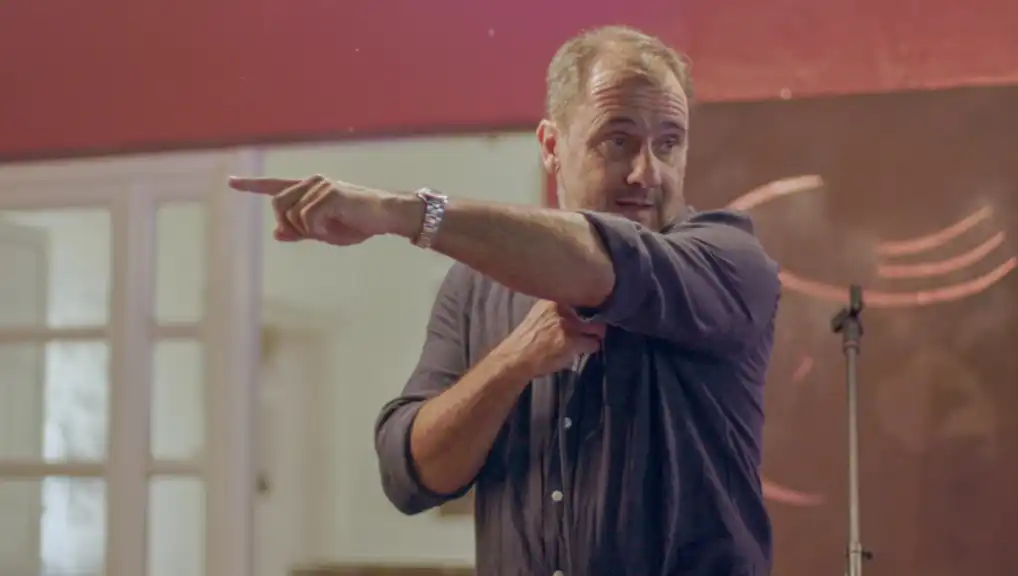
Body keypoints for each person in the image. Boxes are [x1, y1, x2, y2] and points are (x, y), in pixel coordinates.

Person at [230, 25, 780, 576]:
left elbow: (608, 261)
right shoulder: (475, 287)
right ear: (551, 146)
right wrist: (513, 363)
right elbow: (411, 474)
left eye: (668, 143)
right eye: (618, 141)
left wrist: (403, 213)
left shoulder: (728, 261)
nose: (647, 172)